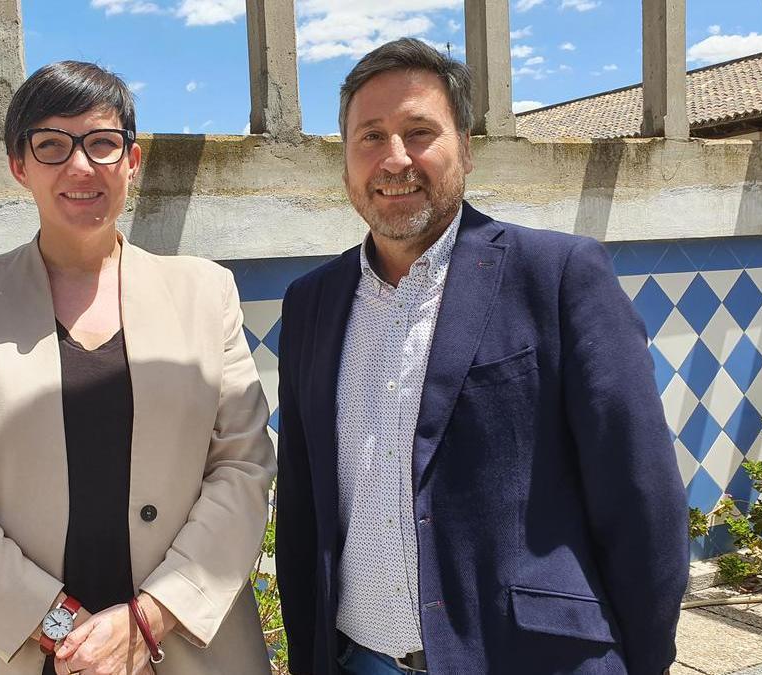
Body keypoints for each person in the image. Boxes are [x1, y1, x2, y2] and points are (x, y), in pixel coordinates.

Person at [274, 38, 688, 675]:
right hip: (363, 660)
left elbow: (640, 497)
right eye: (371, 136)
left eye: (420, 132)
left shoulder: (555, 276)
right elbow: (303, 509)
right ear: (346, 159)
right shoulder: (310, 304)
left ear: (464, 147)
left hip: (529, 658)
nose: (395, 159)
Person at [0, 61, 276, 675]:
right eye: (51, 145)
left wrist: (148, 620)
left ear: (132, 160)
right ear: (20, 166)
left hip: (181, 646)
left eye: (101, 143)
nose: (80, 166)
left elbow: (243, 465)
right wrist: (63, 628)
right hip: (8, 648)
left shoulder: (206, 293)